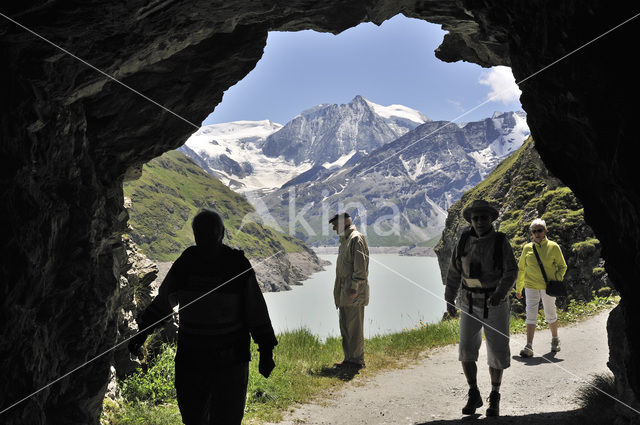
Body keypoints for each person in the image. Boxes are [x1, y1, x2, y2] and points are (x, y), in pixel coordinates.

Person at [128, 209, 278, 425]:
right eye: (203, 234)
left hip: (208, 359)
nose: (207, 238)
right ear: (221, 233)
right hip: (213, 360)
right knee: (206, 417)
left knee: (210, 417)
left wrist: (266, 350)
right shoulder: (225, 264)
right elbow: (256, 311)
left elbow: (162, 304)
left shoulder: (197, 263)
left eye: (209, 233)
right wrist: (265, 349)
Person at [444, 199, 517, 417]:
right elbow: (454, 271)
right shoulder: (464, 240)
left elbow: (511, 271)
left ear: (491, 219)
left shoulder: (500, 241)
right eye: (475, 218)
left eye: (483, 218)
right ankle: (473, 391)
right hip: (469, 302)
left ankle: (494, 396)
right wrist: (449, 298)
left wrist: (500, 293)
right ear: (471, 220)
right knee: (466, 349)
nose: (479, 222)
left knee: (497, 350)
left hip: (494, 303)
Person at [515, 218, 567, 357]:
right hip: (530, 286)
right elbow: (521, 269)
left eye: (540, 230)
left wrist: (556, 280)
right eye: (534, 231)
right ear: (531, 233)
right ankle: (529, 346)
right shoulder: (527, 248)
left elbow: (563, 266)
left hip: (548, 287)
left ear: (545, 231)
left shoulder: (554, 246)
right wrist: (519, 288)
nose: (537, 233)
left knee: (550, 313)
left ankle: (555, 340)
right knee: (530, 314)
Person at [330, 212, 369, 369]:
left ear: (342, 223)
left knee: (354, 328)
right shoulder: (345, 241)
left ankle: (357, 361)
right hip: (344, 292)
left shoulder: (356, 239)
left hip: (353, 292)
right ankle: (349, 359)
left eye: (334, 225)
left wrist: (354, 288)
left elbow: (361, 267)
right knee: (346, 327)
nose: (333, 228)